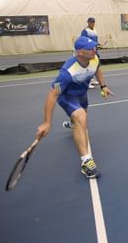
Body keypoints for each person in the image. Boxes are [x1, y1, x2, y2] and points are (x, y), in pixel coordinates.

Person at [36, 36, 114, 178]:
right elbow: (52, 95)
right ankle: (86, 162)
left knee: (80, 120)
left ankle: (73, 123)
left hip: (82, 94)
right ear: (79, 52)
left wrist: (103, 85)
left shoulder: (94, 59)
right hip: (67, 96)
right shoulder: (67, 73)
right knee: (81, 118)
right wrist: (47, 122)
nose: (94, 50)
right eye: (90, 48)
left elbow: (97, 70)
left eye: (94, 47)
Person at [81, 17, 101, 87]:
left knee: (93, 65)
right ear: (88, 23)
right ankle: (87, 82)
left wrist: (97, 44)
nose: (92, 23)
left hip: (94, 50)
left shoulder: (95, 30)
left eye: (93, 22)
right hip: (88, 51)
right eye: (91, 22)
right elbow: (83, 41)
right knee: (88, 66)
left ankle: (91, 79)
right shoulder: (85, 31)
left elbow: (95, 40)